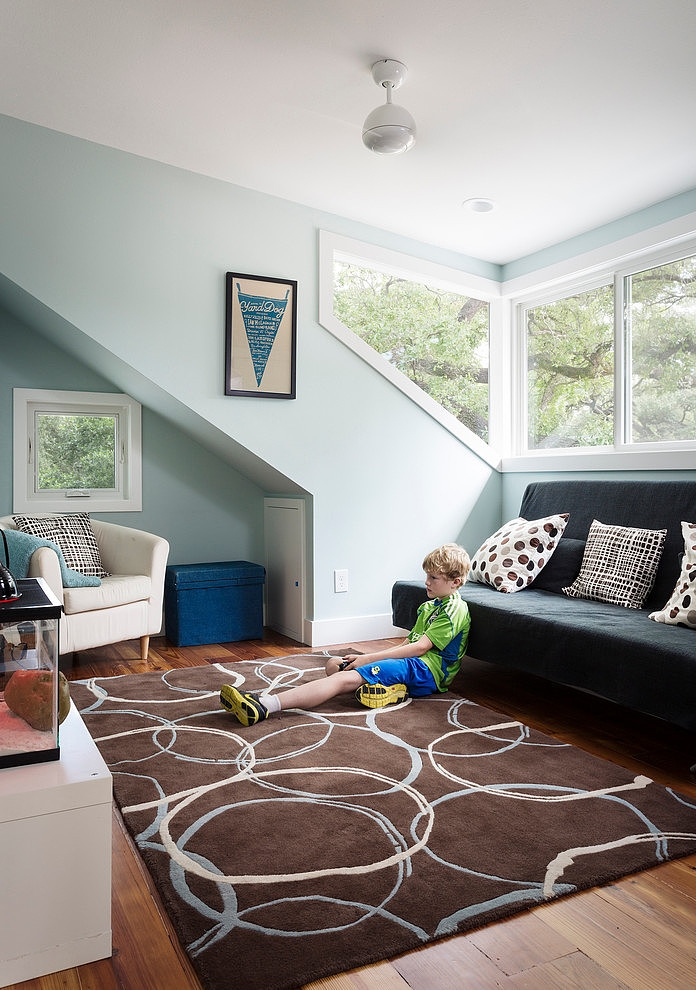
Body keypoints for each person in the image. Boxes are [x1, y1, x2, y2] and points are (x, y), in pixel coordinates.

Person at [219, 543, 471, 726]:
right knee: (335, 665)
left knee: (344, 679)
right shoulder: (429, 606)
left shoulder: (454, 609)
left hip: (429, 672)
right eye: (427, 576)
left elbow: (419, 649)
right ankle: (392, 690)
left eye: (433, 578)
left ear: (455, 581)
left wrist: (369, 660)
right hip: (413, 665)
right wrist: (371, 657)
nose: (426, 582)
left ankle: (265, 705)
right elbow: (409, 642)